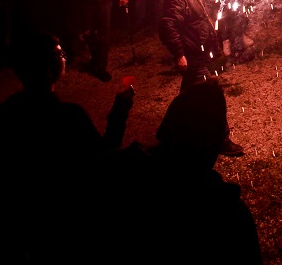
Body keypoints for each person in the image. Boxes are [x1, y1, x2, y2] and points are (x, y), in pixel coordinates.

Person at [0, 30, 135, 262]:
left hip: (27, 221)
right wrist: (120, 111)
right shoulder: (67, 116)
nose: (64, 58)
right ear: (49, 67)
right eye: (59, 55)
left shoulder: (4, 113)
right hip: (68, 218)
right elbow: (104, 155)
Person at [99, 78, 262, 262]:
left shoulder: (125, 171)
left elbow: (103, 159)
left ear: (166, 126)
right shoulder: (227, 214)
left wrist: (119, 113)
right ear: (214, 145)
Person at [158, 0, 244, 157]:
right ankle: (222, 139)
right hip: (192, 55)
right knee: (213, 96)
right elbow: (168, 26)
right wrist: (179, 54)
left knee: (187, 95)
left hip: (198, 52)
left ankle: (168, 134)